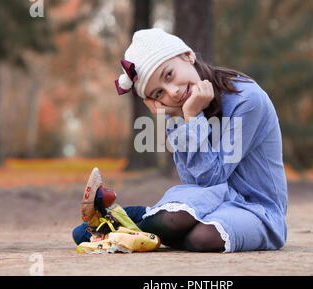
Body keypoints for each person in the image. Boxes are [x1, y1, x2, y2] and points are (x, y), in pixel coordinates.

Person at [73, 28, 288, 253]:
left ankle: (112, 227)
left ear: (187, 56)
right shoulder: (180, 109)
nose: (172, 92)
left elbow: (211, 178)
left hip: (257, 211)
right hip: (214, 200)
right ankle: (115, 223)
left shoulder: (247, 100)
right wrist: (177, 117)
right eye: (158, 94)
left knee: (203, 239)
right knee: (177, 219)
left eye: (169, 75)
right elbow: (192, 181)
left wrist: (191, 118)